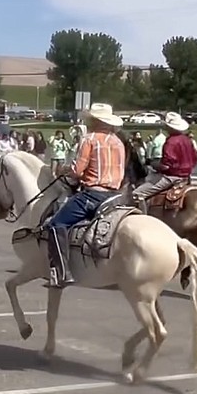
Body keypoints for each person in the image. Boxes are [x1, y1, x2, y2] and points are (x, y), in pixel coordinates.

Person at [45, 103, 126, 288]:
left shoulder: (89, 139)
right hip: (115, 195)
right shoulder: (118, 142)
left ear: (95, 120)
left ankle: (62, 271)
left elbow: (77, 171)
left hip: (93, 195)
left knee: (56, 224)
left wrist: (65, 169)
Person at [131, 112, 196, 213]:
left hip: (171, 177)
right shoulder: (187, 140)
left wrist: (154, 165)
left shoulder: (171, 141)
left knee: (137, 194)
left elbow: (166, 165)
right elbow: (196, 158)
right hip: (186, 177)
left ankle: (142, 217)